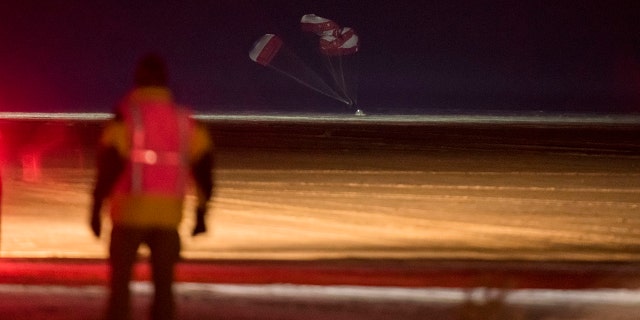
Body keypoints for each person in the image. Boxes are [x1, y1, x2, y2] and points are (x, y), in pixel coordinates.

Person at [90, 53, 214, 320]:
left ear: (137, 81)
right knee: (164, 291)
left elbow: (108, 169)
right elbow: (205, 170)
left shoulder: (126, 118)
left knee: (120, 290)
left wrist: (96, 208)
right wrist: (202, 213)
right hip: (168, 217)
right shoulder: (184, 121)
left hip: (129, 214)